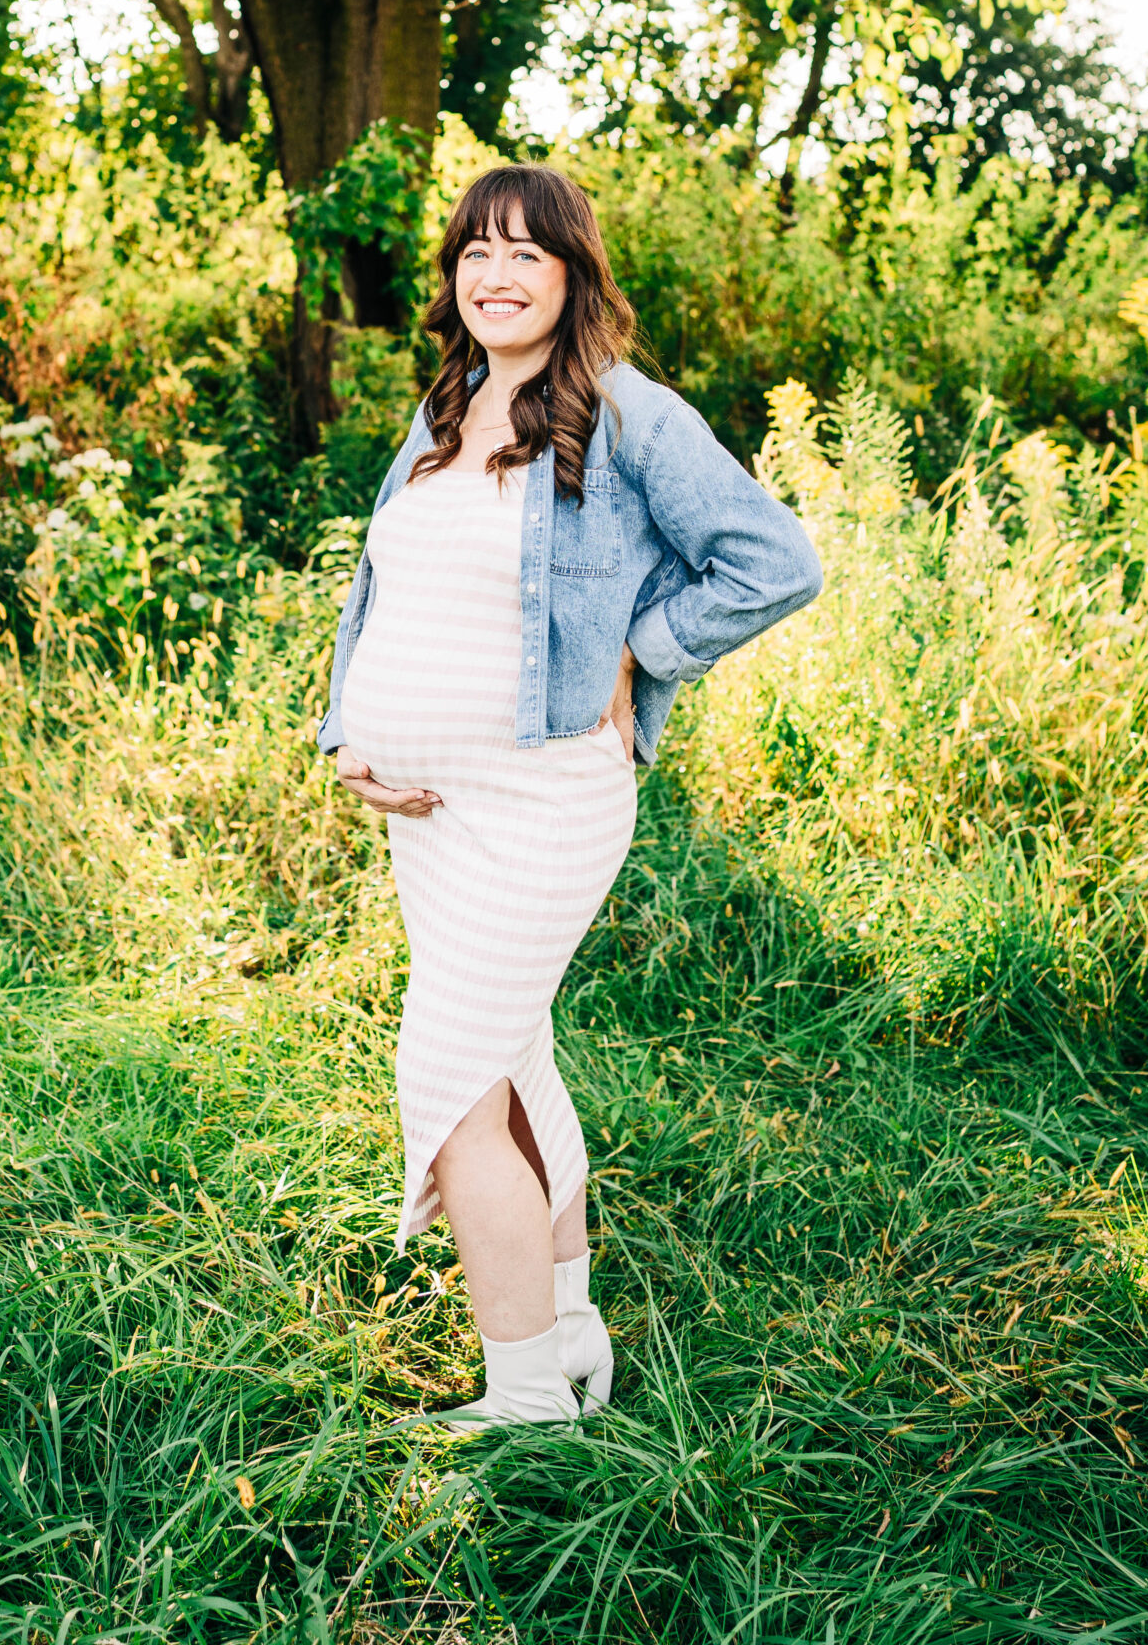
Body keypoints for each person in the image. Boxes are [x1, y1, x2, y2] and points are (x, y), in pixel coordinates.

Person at [318, 163, 821, 1429]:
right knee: (513, 1058)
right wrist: (349, 734)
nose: (494, 276)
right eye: (474, 253)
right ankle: (574, 1326)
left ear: (572, 274)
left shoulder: (624, 411)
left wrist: (642, 646)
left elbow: (775, 560)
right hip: (427, 816)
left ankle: (527, 1394)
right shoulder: (448, 406)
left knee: (449, 1086)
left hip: (542, 800)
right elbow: (384, 591)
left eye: (525, 254)